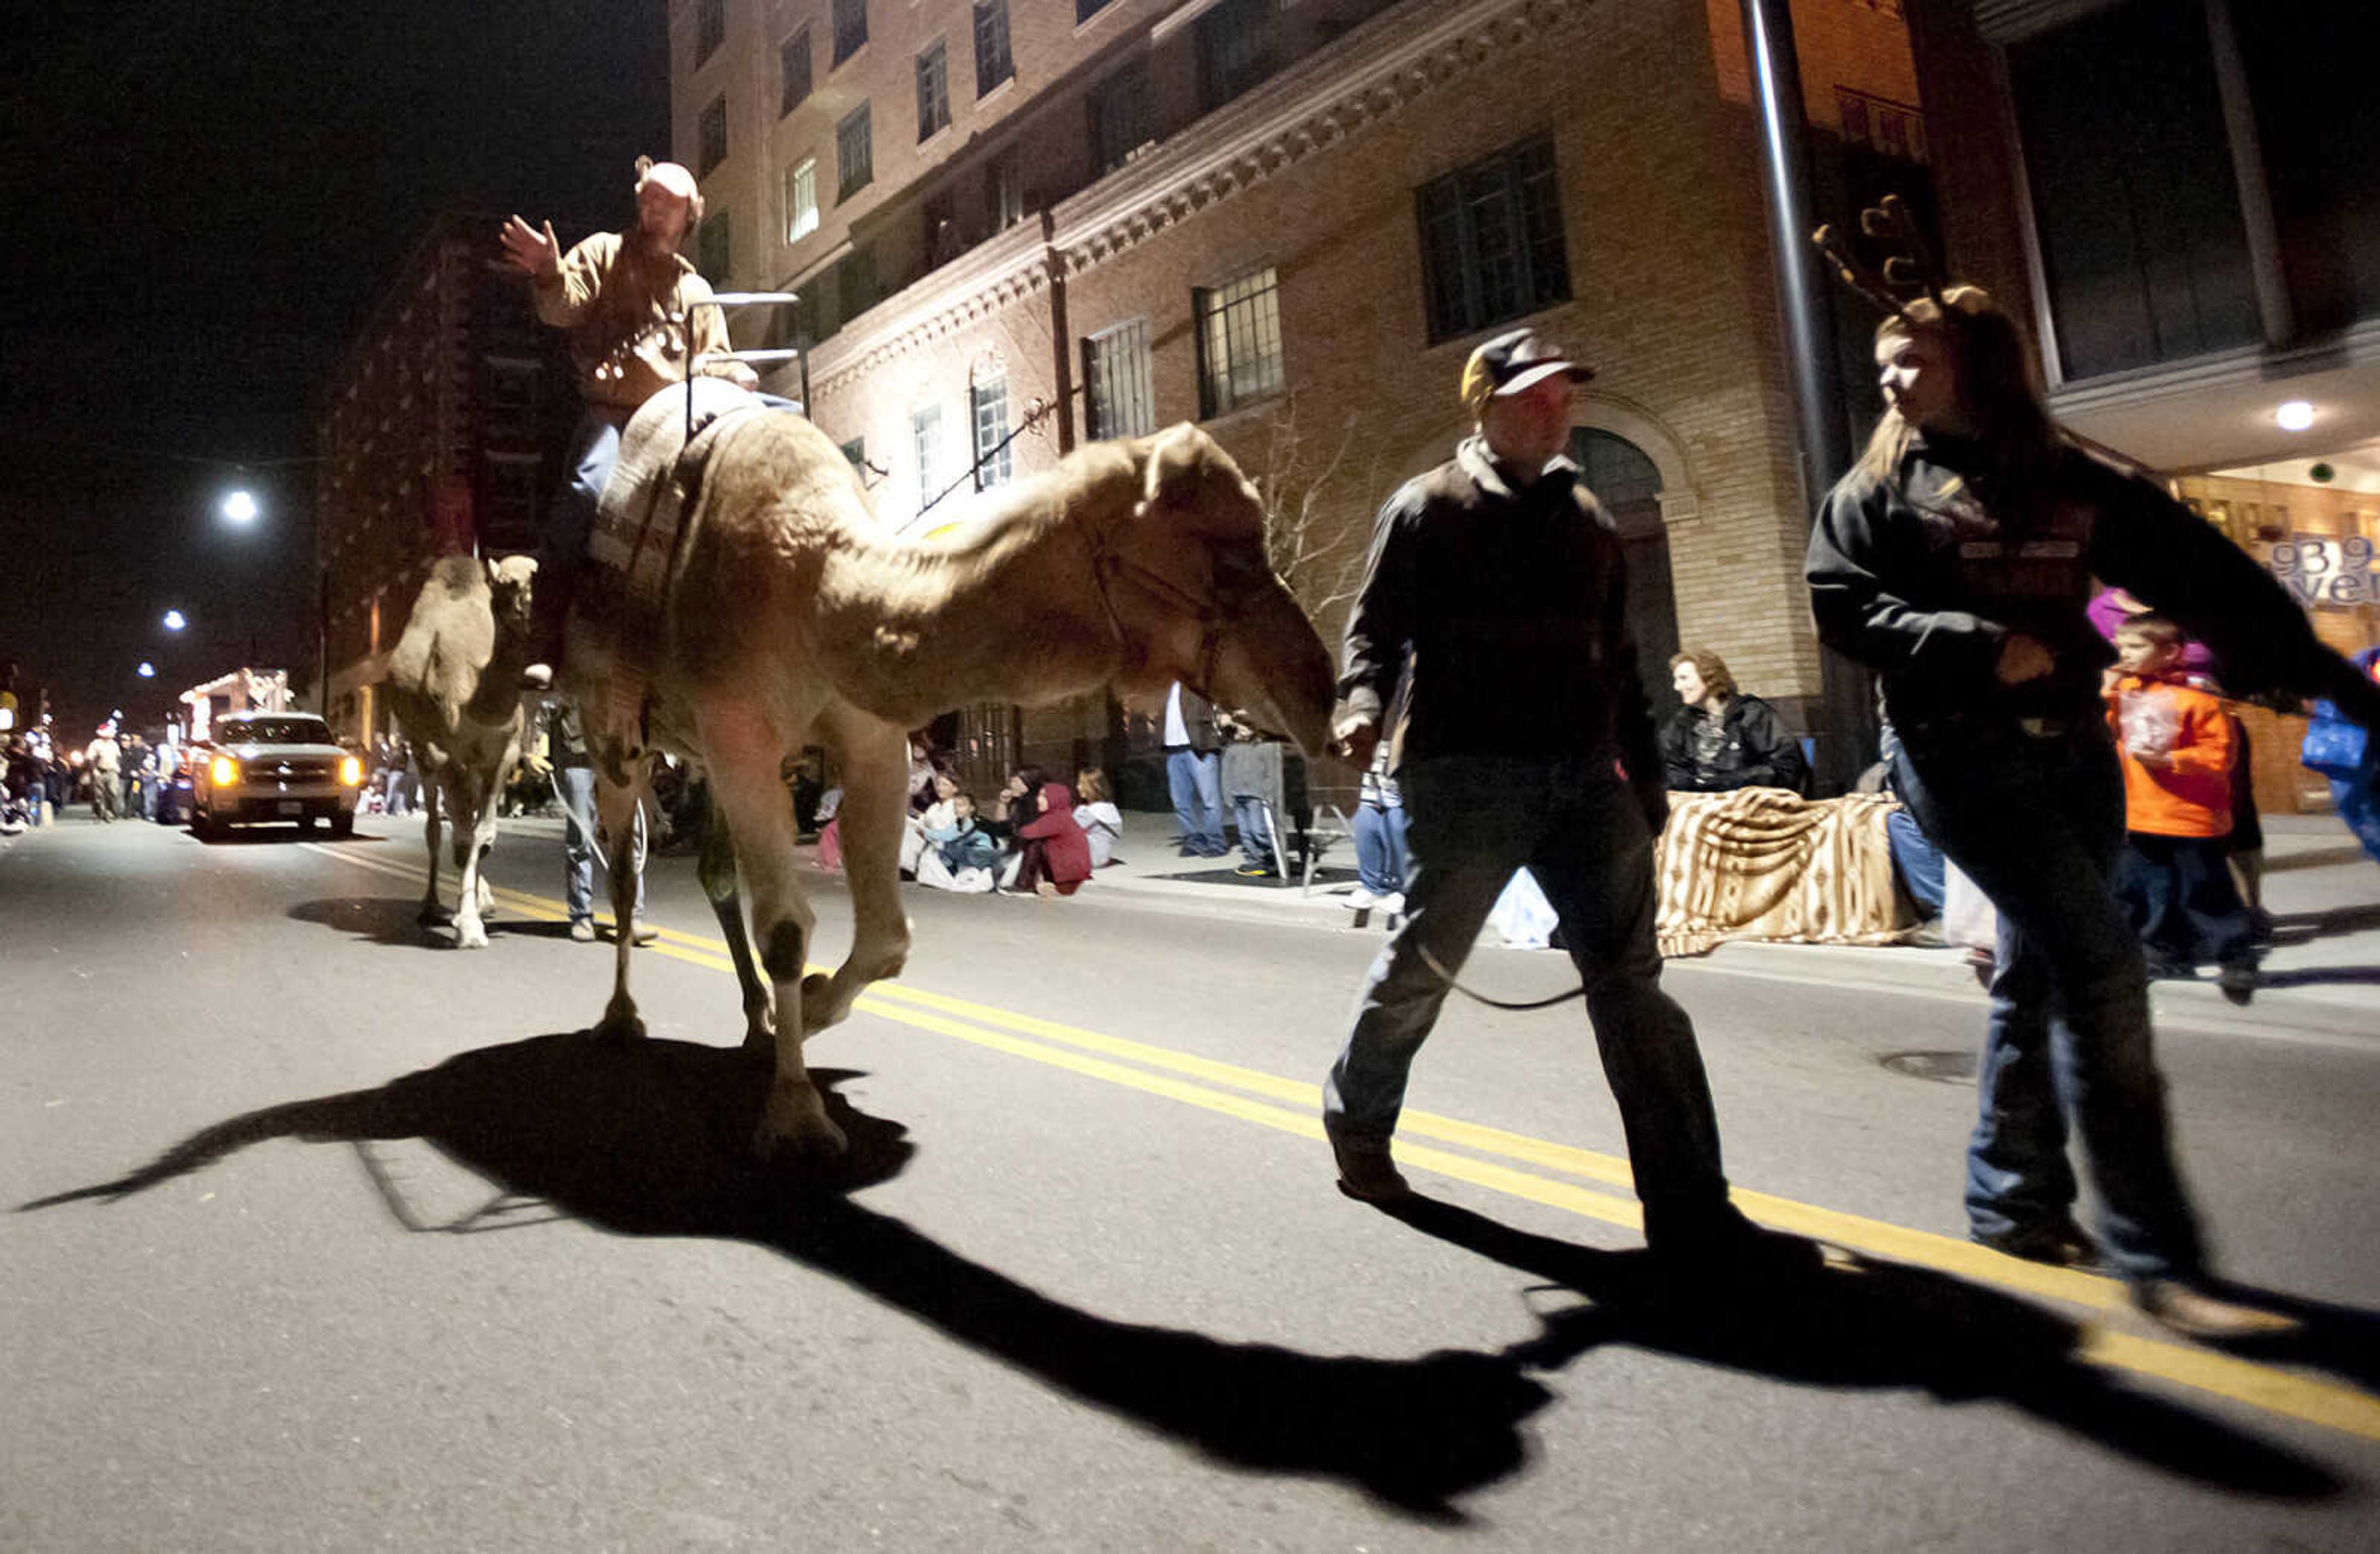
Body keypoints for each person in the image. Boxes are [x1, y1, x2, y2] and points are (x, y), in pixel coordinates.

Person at [1805, 273, 2380, 1338]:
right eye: (1884, 358)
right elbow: (1843, 603)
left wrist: (2340, 687)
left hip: (2073, 751)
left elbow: (2211, 578)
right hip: (1952, 755)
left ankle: (2012, 1201)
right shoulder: (1876, 489)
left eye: (1913, 356)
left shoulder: (2063, 476)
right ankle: (2162, 1256)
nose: (1889, 375)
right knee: (2105, 960)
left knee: (2040, 970)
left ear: (1978, 362)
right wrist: (1977, 642)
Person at [1323, 327, 1803, 1280]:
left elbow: (1619, 659)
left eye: (1565, 394)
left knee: (1634, 989)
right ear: (1486, 403)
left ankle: (1689, 1204)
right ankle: (1358, 1117)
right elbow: (1373, 631)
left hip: (1585, 782)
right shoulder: (1427, 508)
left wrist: (1649, 781)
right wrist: (1362, 704)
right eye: (1536, 394)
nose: (1558, 406)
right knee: (1426, 964)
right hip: (1466, 776)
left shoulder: (1586, 516)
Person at [500, 157, 746, 683]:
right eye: (650, 199)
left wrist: (736, 374)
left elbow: (718, 359)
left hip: (680, 421)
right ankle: (546, 637)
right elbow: (562, 306)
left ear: (688, 215)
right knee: (588, 490)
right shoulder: (604, 253)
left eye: (669, 203)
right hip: (615, 417)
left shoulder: (697, 292)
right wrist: (549, 270)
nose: (656, 210)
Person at [2103, 615, 2256, 999]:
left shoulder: (2199, 697)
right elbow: (2100, 733)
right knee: (2142, 888)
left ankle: (2235, 957)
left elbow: (2219, 754)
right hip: (2138, 812)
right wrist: (2105, 693)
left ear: (2170, 652)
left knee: (2204, 889)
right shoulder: (2123, 691)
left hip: (2189, 815)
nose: (2125, 653)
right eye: (2122, 645)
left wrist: (2173, 761)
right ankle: (2162, 952)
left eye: (2137, 646)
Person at [545, 701, 653, 944]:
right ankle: (581, 916)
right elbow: (546, 700)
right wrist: (534, 747)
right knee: (580, 839)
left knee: (630, 835)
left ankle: (631, 917)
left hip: (620, 752)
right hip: (578, 753)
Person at [1659, 649, 1809, 794]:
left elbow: (1786, 768)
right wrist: (1690, 783)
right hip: (1699, 803)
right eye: (1676, 680)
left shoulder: (1751, 714)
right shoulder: (1683, 721)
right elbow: (1667, 766)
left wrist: (1720, 783)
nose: (1677, 687)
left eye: (1684, 678)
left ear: (1710, 678)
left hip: (1749, 803)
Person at [1161, 682, 1228, 858]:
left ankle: (1216, 842)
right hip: (1174, 748)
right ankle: (1192, 840)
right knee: (1180, 801)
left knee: (1210, 799)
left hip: (1200, 745)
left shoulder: (1196, 678)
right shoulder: (1164, 686)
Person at [1345, 739, 1409, 916]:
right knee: (1364, 822)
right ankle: (1372, 887)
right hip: (1374, 789)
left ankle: (1400, 889)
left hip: (1403, 795)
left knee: (1396, 826)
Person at [1012, 782, 1093, 897]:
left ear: (1055, 799)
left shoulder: (1056, 818)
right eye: (1039, 795)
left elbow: (1026, 833)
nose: (1039, 799)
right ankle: (1048, 885)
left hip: (1068, 873)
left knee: (1035, 844)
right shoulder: (1063, 813)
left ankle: (1025, 885)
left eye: (1044, 796)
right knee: (1040, 843)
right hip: (1072, 872)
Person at [1073, 767, 1124, 869]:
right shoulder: (1111, 809)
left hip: (1086, 859)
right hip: (1101, 858)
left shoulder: (1086, 812)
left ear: (1091, 788)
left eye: (1081, 784)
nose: (1077, 787)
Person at [85, 724, 121, 822]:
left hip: (113, 771)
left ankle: (110, 811)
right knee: (98, 794)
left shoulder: (114, 744)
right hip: (100, 771)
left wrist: (118, 768)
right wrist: (94, 770)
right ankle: (98, 813)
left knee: (113, 792)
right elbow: (90, 758)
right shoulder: (95, 744)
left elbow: (118, 757)